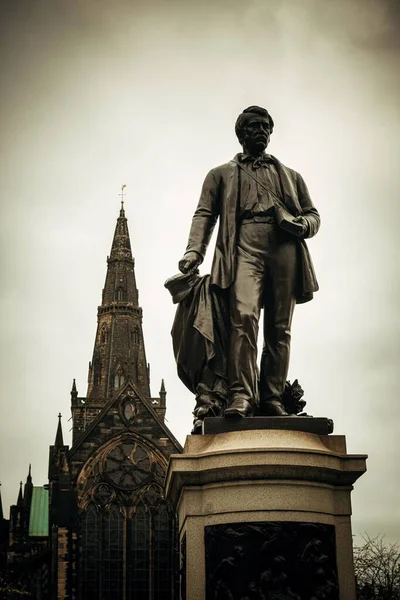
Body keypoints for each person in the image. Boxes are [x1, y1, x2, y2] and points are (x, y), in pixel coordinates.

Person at [178, 106, 320, 419]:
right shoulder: (220, 174)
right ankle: (241, 395)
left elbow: (313, 216)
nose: (262, 131)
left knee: (280, 329)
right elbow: (204, 213)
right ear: (242, 133)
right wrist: (194, 251)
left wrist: (299, 226)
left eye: (266, 127)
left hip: (284, 248)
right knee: (243, 318)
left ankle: (272, 398)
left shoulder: (292, 177)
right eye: (254, 126)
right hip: (243, 245)